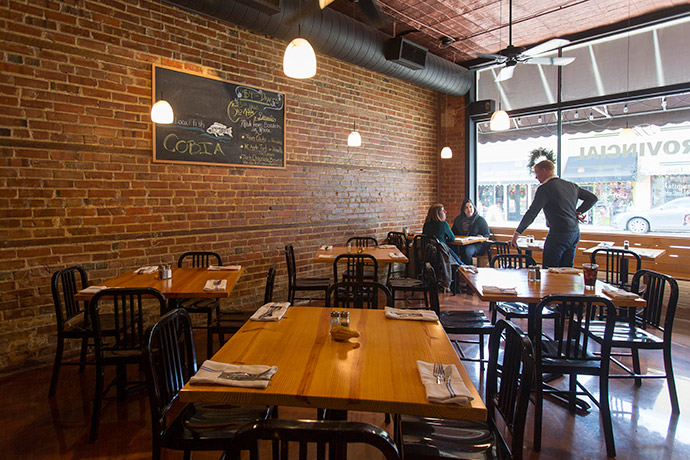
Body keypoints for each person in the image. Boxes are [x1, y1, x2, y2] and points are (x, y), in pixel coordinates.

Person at [509, 160, 598, 268]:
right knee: (567, 270)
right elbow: (592, 198)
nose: (536, 177)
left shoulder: (545, 188)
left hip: (558, 234)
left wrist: (517, 233)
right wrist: (577, 212)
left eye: (536, 173)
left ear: (544, 171)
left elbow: (532, 213)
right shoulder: (571, 186)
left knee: (549, 270)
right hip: (574, 233)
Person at [451, 199, 490, 265]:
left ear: (474, 208)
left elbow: (487, 234)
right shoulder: (458, 219)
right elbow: (453, 232)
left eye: (470, 207)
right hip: (462, 243)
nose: (469, 209)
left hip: (476, 244)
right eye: (466, 208)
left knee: (466, 251)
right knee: (452, 249)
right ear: (463, 210)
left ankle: (469, 270)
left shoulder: (480, 220)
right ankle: (456, 270)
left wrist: (482, 237)